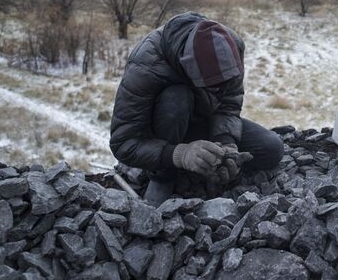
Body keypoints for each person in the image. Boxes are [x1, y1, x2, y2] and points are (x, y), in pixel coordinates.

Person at [109, 12, 284, 206]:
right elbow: (123, 142)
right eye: (211, 86)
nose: (219, 90)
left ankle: (206, 165)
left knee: (271, 148)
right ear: (187, 67)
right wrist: (180, 154)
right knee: (176, 98)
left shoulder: (230, 47)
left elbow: (228, 104)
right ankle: (163, 177)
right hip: (161, 130)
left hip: (202, 119)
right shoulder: (145, 66)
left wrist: (225, 142)